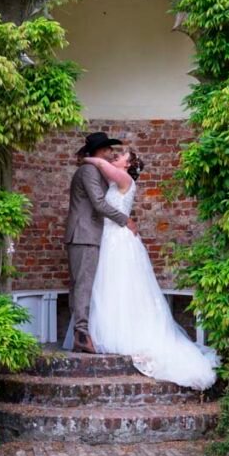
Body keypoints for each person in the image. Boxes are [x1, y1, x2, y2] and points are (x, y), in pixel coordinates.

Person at [82, 146, 218, 390]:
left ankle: (126, 334)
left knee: (121, 284)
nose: (117, 155)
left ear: (128, 164)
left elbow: (102, 167)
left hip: (119, 240)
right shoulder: (118, 178)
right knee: (112, 286)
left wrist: (87, 157)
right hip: (111, 238)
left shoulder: (123, 178)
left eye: (122, 154)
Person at [64, 132, 137, 354]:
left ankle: (82, 333)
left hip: (89, 235)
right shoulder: (88, 171)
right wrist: (125, 220)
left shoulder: (96, 171)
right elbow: (97, 203)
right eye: (106, 149)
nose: (110, 153)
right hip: (83, 234)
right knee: (83, 284)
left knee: (82, 284)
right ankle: (82, 335)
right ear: (97, 150)